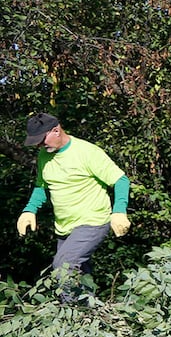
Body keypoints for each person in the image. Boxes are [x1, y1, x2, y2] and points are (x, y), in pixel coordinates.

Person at [15, 112, 131, 303]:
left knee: (63, 267)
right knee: (80, 279)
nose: (38, 145)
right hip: (64, 228)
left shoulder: (87, 153)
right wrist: (29, 210)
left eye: (41, 140)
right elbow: (42, 185)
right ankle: (91, 319)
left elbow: (120, 180)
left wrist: (119, 211)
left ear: (56, 130)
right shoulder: (44, 156)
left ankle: (72, 318)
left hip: (92, 222)